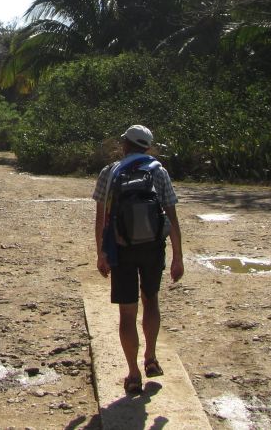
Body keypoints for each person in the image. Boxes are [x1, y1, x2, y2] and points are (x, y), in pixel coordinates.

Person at [93, 124, 184, 396]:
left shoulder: (109, 173)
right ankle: (151, 358)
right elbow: (171, 215)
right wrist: (178, 255)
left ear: (125, 145)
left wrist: (101, 252)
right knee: (151, 300)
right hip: (153, 248)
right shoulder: (159, 171)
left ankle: (133, 373)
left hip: (121, 248)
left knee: (127, 313)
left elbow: (101, 218)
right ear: (147, 147)